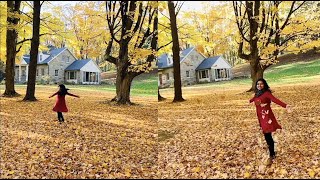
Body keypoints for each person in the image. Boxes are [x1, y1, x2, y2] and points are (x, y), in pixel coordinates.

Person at [249, 78, 291, 165]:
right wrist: (248, 101)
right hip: (260, 116)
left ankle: (272, 153)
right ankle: (272, 152)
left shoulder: (267, 93)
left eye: (261, 84)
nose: (259, 85)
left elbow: (275, 100)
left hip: (266, 116)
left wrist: (285, 106)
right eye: (258, 84)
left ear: (264, 84)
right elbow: (253, 99)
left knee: (267, 134)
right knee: (266, 135)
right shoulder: (257, 93)